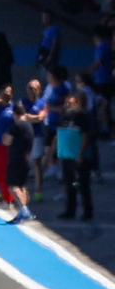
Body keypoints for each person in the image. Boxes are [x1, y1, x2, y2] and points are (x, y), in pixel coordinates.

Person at [60, 92, 95, 221]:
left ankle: (87, 212)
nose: (68, 105)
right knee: (69, 184)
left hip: (79, 156)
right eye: (67, 102)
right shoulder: (65, 116)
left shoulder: (82, 116)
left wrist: (80, 154)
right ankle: (70, 211)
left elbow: (86, 136)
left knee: (81, 184)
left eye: (71, 103)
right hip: (66, 155)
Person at [4, 102, 36, 224]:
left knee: (12, 186)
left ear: (14, 113)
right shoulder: (28, 125)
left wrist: (5, 137)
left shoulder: (17, 125)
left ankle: (24, 211)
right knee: (22, 186)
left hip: (16, 159)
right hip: (26, 159)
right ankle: (23, 212)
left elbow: (7, 140)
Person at [37, 12, 61, 81]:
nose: (44, 19)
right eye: (43, 17)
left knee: (50, 72)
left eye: (46, 17)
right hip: (43, 52)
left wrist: (50, 56)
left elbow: (55, 43)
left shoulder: (54, 29)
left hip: (49, 53)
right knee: (44, 72)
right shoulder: (45, 30)